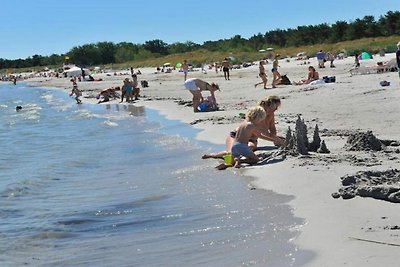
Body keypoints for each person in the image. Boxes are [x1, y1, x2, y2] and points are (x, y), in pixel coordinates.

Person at [202, 95, 285, 160]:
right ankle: (214, 156)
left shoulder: (271, 114)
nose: (276, 109)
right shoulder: (257, 114)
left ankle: (238, 160)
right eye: (275, 107)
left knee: (250, 148)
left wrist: (275, 139)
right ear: (268, 105)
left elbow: (272, 127)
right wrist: (275, 139)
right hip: (236, 136)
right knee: (230, 153)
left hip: (251, 139)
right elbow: (263, 133)